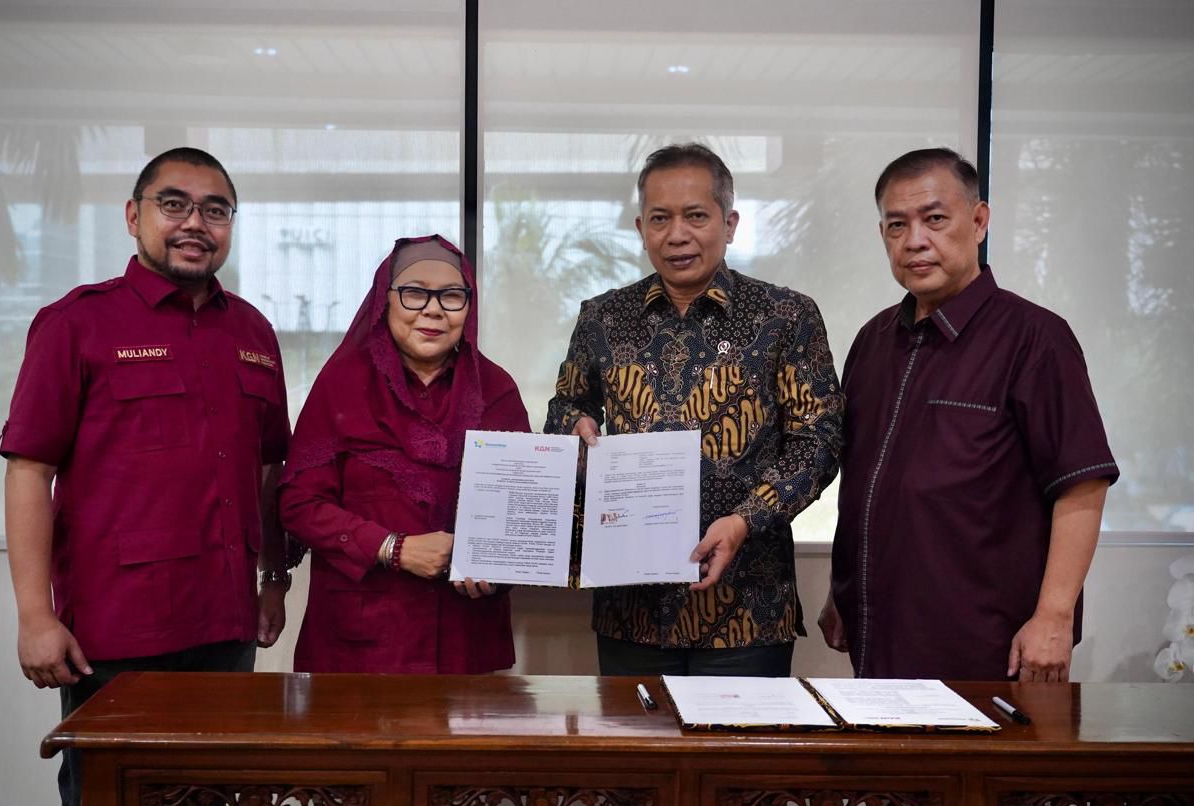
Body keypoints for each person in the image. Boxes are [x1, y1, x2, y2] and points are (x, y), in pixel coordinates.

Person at [0, 147, 291, 806]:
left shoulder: (253, 332)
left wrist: (275, 579)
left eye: (215, 210)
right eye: (175, 204)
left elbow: (271, 468)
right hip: (117, 633)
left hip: (225, 625)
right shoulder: (77, 324)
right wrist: (36, 616)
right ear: (134, 217)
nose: (196, 223)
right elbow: (29, 470)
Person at [545, 143, 843, 677]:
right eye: (660, 218)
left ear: (729, 223)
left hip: (748, 607)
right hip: (629, 607)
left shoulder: (785, 317)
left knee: (735, 762)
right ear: (641, 228)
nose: (676, 234)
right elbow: (566, 406)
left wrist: (746, 520)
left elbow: (818, 443)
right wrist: (575, 427)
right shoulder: (602, 318)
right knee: (637, 761)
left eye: (696, 216)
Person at [822, 147, 1117, 682]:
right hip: (879, 633)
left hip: (985, 643)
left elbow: (1081, 484)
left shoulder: (1035, 339)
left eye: (935, 219)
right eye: (896, 225)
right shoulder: (873, 340)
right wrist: (843, 589)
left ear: (978, 221)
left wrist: (1053, 616)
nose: (915, 240)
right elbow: (865, 481)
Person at [279, 235, 530, 673]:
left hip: (464, 639)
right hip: (362, 644)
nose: (432, 309)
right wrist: (393, 548)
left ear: (468, 308)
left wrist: (498, 568)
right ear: (385, 300)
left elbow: (525, 513)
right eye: (414, 293)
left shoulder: (496, 389)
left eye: (452, 296)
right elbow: (299, 504)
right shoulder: (341, 384)